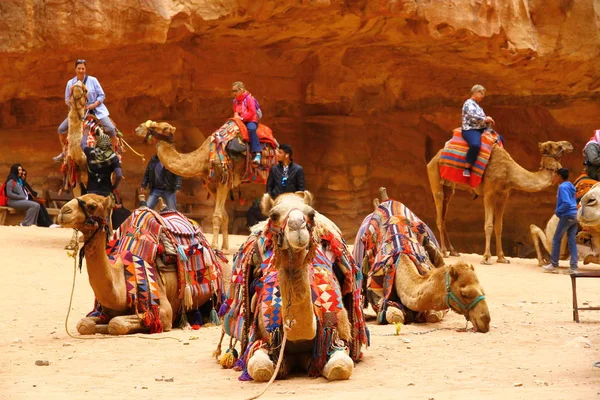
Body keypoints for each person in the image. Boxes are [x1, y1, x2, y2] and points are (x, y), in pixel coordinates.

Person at [54, 59, 116, 162]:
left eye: (83, 68)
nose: (81, 70)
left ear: (85, 69)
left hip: (95, 110)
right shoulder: (70, 83)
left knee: (110, 128)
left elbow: (102, 95)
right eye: (79, 68)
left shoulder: (93, 80)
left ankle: (113, 153)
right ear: (75, 69)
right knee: (61, 129)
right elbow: (66, 99)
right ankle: (64, 151)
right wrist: (75, 105)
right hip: (78, 112)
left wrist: (93, 105)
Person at [542, 168, 578, 274]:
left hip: (566, 215)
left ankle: (554, 265)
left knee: (556, 239)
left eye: (555, 175)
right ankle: (573, 267)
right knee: (572, 241)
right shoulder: (570, 185)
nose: (554, 177)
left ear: (559, 176)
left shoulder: (562, 187)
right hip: (574, 215)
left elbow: (566, 202)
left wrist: (558, 211)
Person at [461, 84, 495, 177]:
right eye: (482, 93)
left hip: (481, 129)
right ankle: (467, 167)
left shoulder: (478, 106)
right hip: (471, 129)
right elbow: (472, 116)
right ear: (476, 92)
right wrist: (485, 119)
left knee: (499, 139)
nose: (483, 96)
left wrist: (488, 122)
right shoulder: (468, 103)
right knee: (475, 145)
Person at [82, 131, 122, 197]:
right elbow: (119, 175)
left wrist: (85, 133)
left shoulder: (90, 152)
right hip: (106, 191)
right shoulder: (113, 156)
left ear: (98, 143)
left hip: (91, 190)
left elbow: (82, 144)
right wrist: (114, 186)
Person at [231, 81, 262, 165]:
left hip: (250, 120)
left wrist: (241, 118)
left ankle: (257, 153)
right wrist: (236, 115)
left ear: (241, 90)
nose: (234, 93)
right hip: (239, 121)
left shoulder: (249, 98)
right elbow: (235, 111)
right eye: (232, 91)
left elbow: (252, 112)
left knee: (251, 129)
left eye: (235, 91)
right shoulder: (235, 101)